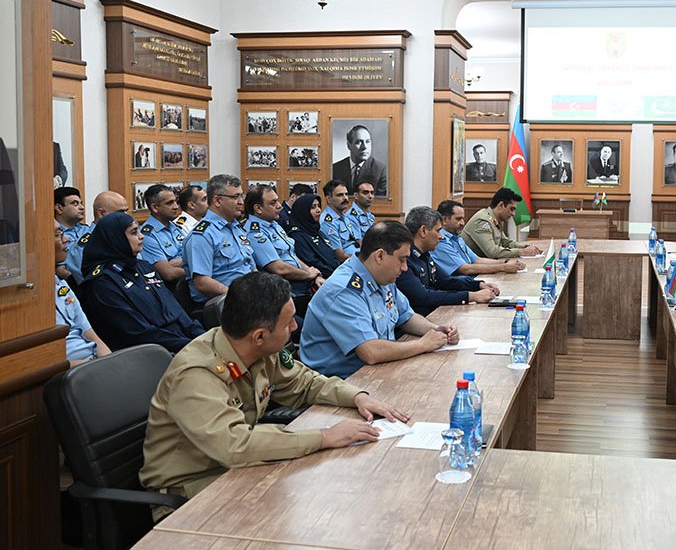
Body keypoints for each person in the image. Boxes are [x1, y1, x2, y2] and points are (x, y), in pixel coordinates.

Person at [140, 272, 408, 501]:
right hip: (190, 490)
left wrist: (357, 397)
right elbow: (234, 446)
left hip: (239, 469)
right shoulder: (196, 374)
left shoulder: (258, 349)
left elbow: (305, 382)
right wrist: (325, 437)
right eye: (288, 322)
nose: (295, 327)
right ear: (259, 335)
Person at [300, 221, 460, 379]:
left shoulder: (382, 276)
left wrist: (435, 330)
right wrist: (423, 344)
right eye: (402, 260)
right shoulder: (344, 290)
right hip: (338, 383)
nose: (405, 268)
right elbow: (371, 352)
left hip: (375, 372)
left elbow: (407, 317)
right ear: (380, 256)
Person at [78, 212, 204, 354]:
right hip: (150, 354)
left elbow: (176, 311)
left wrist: (201, 337)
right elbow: (137, 333)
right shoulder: (101, 283)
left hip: (180, 342)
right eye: (133, 232)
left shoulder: (143, 266)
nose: (141, 236)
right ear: (116, 238)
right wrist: (190, 346)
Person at [396, 206, 498, 316]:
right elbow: (424, 297)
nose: (440, 236)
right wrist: (471, 296)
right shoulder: (406, 260)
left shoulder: (425, 255)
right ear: (423, 231)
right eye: (438, 231)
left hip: (434, 315)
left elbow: (446, 281)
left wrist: (478, 285)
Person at [244, 185, 324, 315]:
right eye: (273, 203)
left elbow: (291, 255)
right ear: (258, 208)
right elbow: (279, 268)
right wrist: (308, 275)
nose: (280, 206)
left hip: (301, 282)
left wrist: (312, 273)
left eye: (277, 201)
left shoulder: (274, 225)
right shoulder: (255, 233)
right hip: (286, 288)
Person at [182, 175, 255, 305]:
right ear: (217, 201)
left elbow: (250, 267)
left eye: (241, 196)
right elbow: (203, 283)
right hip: (226, 303)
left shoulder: (236, 228)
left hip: (249, 296)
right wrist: (241, 298)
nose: (241, 202)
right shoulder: (202, 235)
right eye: (235, 197)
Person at [53, 225, 110, 365]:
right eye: (58, 234)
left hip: (93, 361)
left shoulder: (61, 284)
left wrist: (110, 364)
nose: (66, 239)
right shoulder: (28, 297)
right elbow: (47, 363)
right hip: (70, 372)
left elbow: (92, 336)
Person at [431, 200, 525, 276]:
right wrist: (503, 267)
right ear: (444, 220)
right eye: (458, 219)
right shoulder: (440, 241)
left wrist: (506, 262)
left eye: (463, 219)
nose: (462, 223)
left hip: (470, 279)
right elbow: (465, 269)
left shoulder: (456, 236)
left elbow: (477, 260)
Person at [461, 188, 543, 260]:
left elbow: (506, 243)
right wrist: (522, 252)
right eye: (511, 209)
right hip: (472, 271)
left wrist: (526, 247)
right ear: (501, 205)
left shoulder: (495, 219)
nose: (513, 214)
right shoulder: (482, 221)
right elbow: (492, 252)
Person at [139, 184, 187, 284]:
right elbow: (169, 273)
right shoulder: (147, 235)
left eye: (175, 201)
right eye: (169, 203)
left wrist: (182, 262)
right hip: (172, 290)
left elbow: (194, 255)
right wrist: (198, 269)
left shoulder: (175, 227)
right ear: (155, 207)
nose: (176, 207)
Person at [286, 193, 341, 279]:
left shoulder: (318, 232)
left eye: (319, 206)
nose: (318, 210)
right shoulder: (297, 235)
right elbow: (311, 261)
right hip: (319, 279)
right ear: (303, 211)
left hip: (334, 275)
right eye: (313, 207)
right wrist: (334, 273)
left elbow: (332, 255)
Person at [331, 124, 388, 196]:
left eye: (367, 141)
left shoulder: (380, 170)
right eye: (358, 142)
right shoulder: (336, 169)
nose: (364, 147)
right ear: (349, 145)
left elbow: (381, 202)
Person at [54, 186, 91, 284]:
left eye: (81, 203)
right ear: (59, 208)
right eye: (75, 204)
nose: (81, 207)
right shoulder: (54, 236)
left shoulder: (87, 230)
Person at [319, 179, 360, 262]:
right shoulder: (328, 222)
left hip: (358, 256)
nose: (345, 198)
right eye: (340, 195)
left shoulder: (345, 217)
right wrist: (364, 261)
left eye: (346, 194)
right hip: (348, 264)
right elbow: (340, 256)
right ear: (329, 199)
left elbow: (356, 241)